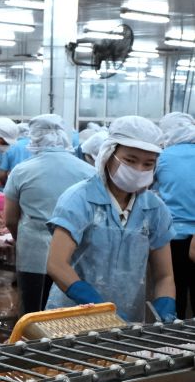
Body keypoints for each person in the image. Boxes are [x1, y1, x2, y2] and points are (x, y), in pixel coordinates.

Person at [45, 116, 176, 323]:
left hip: (126, 321)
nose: (139, 169)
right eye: (130, 160)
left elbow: (164, 276)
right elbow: (56, 264)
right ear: (108, 155)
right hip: (71, 318)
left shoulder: (154, 209)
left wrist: (166, 304)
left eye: (148, 163)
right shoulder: (80, 199)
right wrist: (96, 304)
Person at [3, 115, 95, 314]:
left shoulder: (22, 171)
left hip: (33, 254)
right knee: (72, 315)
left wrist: (20, 240)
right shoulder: (88, 171)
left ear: (33, 137)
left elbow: (9, 218)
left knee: (35, 314)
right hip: (75, 257)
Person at [155, 112, 195, 318]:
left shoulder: (162, 157)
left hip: (173, 235)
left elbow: (145, 189)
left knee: (173, 285)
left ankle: (174, 337)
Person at [0, 122, 32, 186]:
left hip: (14, 185)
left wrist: (7, 185)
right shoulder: (36, 146)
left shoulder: (10, 146)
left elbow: (2, 174)